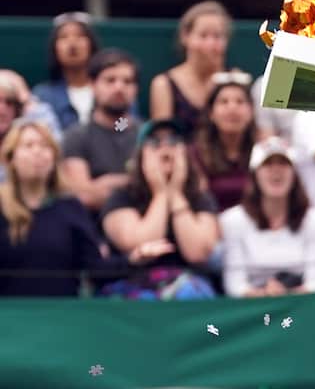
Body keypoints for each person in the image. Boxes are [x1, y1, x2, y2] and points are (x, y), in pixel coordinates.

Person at [0, 120, 172, 297]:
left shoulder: (70, 208)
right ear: (11, 157)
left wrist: (133, 259)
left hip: (60, 316)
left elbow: (95, 269)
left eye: (45, 146)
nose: (37, 152)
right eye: (28, 145)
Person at [100, 119, 220, 298]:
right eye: (155, 142)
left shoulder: (199, 198)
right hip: (132, 282)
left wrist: (176, 193)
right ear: (141, 154)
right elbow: (141, 243)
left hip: (188, 284)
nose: (165, 149)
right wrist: (161, 193)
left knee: (190, 292)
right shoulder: (122, 196)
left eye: (173, 142)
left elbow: (197, 253)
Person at [219, 137, 315, 297]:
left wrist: (285, 294)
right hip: (251, 305)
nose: (276, 171)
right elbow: (235, 286)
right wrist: (266, 294)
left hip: (300, 303)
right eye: (268, 164)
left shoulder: (314, 220)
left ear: (294, 174)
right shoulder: (233, 220)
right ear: (255, 174)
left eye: (284, 164)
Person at [59, 50, 141, 213]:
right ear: (93, 85)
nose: (119, 88)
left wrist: (106, 183)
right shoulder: (76, 136)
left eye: (127, 81)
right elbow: (83, 196)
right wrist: (132, 183)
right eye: (110, 80)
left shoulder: (146, 133)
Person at [148, 1, 233, 134]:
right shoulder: (164, 84)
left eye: (217, 36)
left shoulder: (234, 80)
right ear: (185, 37)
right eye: (203, 35)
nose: (210, 44)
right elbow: (163, 138)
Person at [190, 72, 257, 212]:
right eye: (223, 102)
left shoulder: (262, 151)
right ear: (211, 114)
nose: (232, 108)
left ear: (251, 112)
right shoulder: (195, 154)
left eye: (240, 101)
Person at [31, 11, 101, 133]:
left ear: (91, 44)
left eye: (80, 36)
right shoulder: (42, 96)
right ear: (55, 48)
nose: (72, 43)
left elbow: (127, 124)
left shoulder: (113, 89)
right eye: (64, 37)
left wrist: (114, 134)